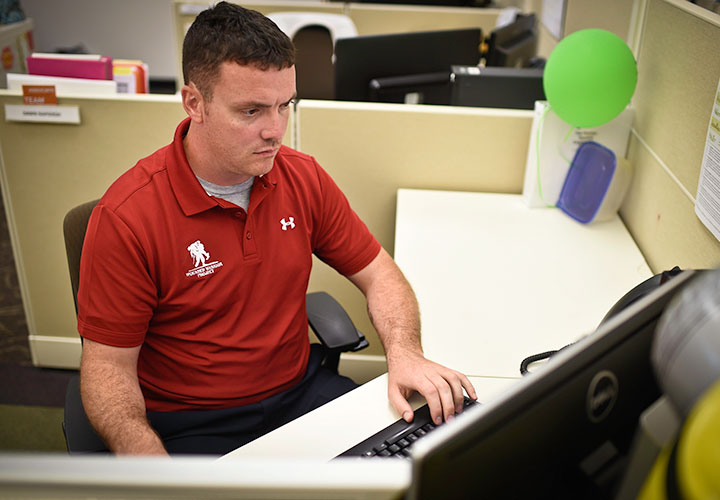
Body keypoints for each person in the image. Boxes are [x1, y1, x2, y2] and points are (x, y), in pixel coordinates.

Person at [77, 1, 476, 456]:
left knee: (425, 456)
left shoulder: (301, 177)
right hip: (193, 421)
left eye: (285, 106)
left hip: (300, 394)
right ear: (194, 103)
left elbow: (380, 274)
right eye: (251, 111)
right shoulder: (127, 217)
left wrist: (405, 354)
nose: (275, 131)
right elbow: (107, 368)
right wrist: (142, 452)